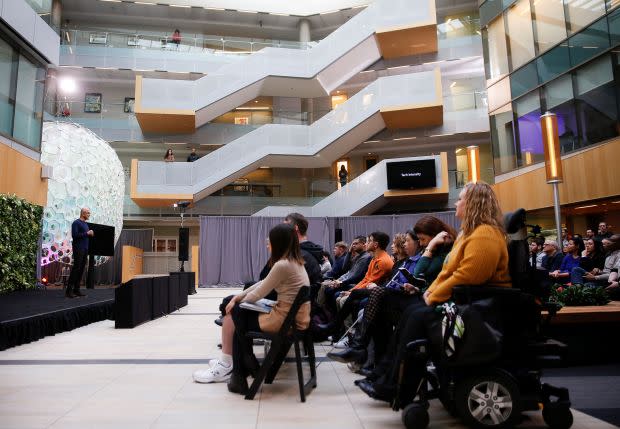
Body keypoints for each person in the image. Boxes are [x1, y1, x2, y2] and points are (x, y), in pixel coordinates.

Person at [357, 182, 511, 404]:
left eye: (461, 199)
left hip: (478, 308)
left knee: (415, 315)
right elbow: (448, 273)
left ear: (473, 204)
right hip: (465, 302)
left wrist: (433, 296)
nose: (457, 203)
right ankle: (385, 376)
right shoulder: (470, 234)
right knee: (408, 310)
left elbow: (468, 277)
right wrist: (430, 292)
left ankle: (394, 385)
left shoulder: (485, 234)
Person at [193, 223, 310, 395]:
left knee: (237, 313)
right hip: (293, 317)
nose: (267, 244)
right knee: (239, 311)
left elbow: (258, 293)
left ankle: (241, 368)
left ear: (278, 243)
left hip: (285, 320)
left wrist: (237, 303)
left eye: (269, 241)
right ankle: (243, 369)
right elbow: (262, 284)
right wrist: (238, 298)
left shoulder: (283, 265)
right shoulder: (295, 262)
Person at [66, 208, 93, 298]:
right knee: (76, 268)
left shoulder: (85, 224)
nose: (89, 214)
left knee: (81, 269)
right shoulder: (76, 223)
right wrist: (87, 233)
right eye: (88, 213)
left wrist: (89, 234)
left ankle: (76, 290)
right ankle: (68, 291)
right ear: (83, 213)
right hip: (78, 248)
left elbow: (85, 235)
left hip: (85, 249)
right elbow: (75, 235)